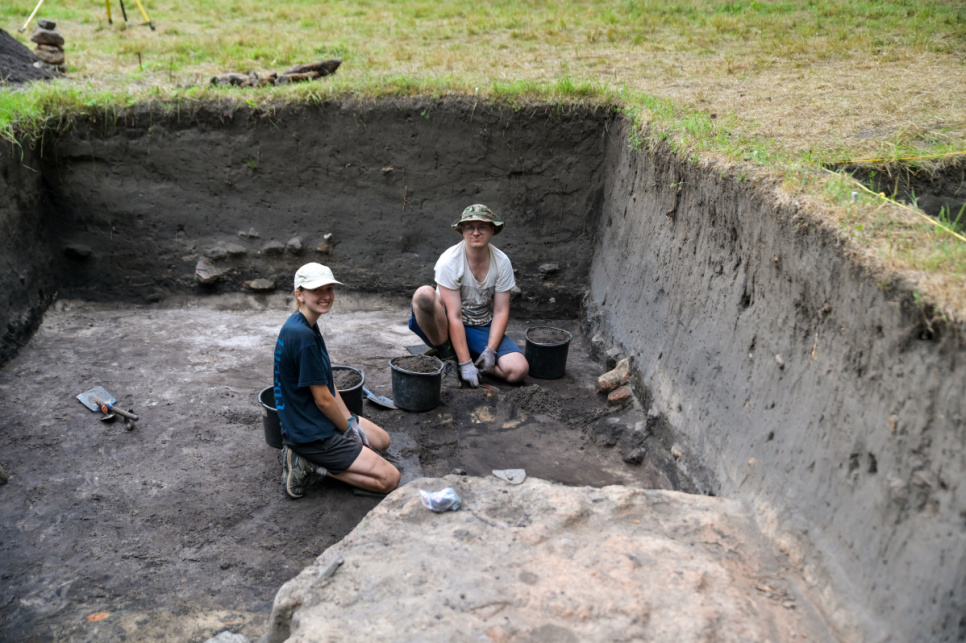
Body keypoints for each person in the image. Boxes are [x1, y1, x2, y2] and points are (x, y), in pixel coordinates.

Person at [273, 262, 400, 499]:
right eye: (317, 290)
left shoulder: (305, 324)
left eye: (329, 289)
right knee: (389, 479)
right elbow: (323, 400)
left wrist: (350, 421)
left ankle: (323, 455)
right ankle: (311, 464)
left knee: (383, 441)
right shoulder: (302, 336)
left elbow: (327, 384)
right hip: (309, 433)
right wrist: (346, 430)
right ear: (299, 294)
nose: (326, 296)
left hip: (312, 417)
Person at [410, 204, 529, 388]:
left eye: (482, 227)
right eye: (469, 227)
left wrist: (491, 351)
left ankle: (472, 359)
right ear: (462, 231)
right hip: (445, 324)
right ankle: (449, 358)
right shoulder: (450, 260)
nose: (476, 232)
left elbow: (500, 311)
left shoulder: (502, 262)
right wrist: (465, 364)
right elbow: (454, 315)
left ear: (492, 229)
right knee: (423, 295)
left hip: (479, 325)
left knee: (518, 370)